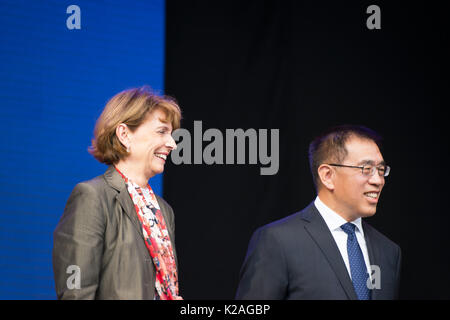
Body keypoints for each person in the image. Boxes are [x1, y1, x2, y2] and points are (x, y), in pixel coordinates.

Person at [236, 125, 401, 300]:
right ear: (327, 175)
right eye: (366, 169)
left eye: (381, 170)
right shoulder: (278, 242)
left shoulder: (388, 251)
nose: (378, 180)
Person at [53, 87, 183, 300]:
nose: (171, 144)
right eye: (161, 132)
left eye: (171, 134)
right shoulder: (92, 196)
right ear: (124, 135)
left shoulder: (164, 211)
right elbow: (75, 294)